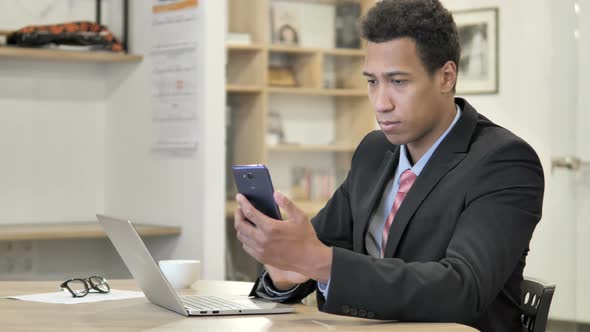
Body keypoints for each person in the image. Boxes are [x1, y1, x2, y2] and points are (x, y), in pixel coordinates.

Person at [233, 1, 544, 331]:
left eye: (398, 82)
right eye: (372, 82)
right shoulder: (374, 150)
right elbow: (318, 248)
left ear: (446, 76)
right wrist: (287, 272)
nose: (381, 103)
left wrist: (318, 261)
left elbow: (463, 289)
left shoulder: (504, 161)